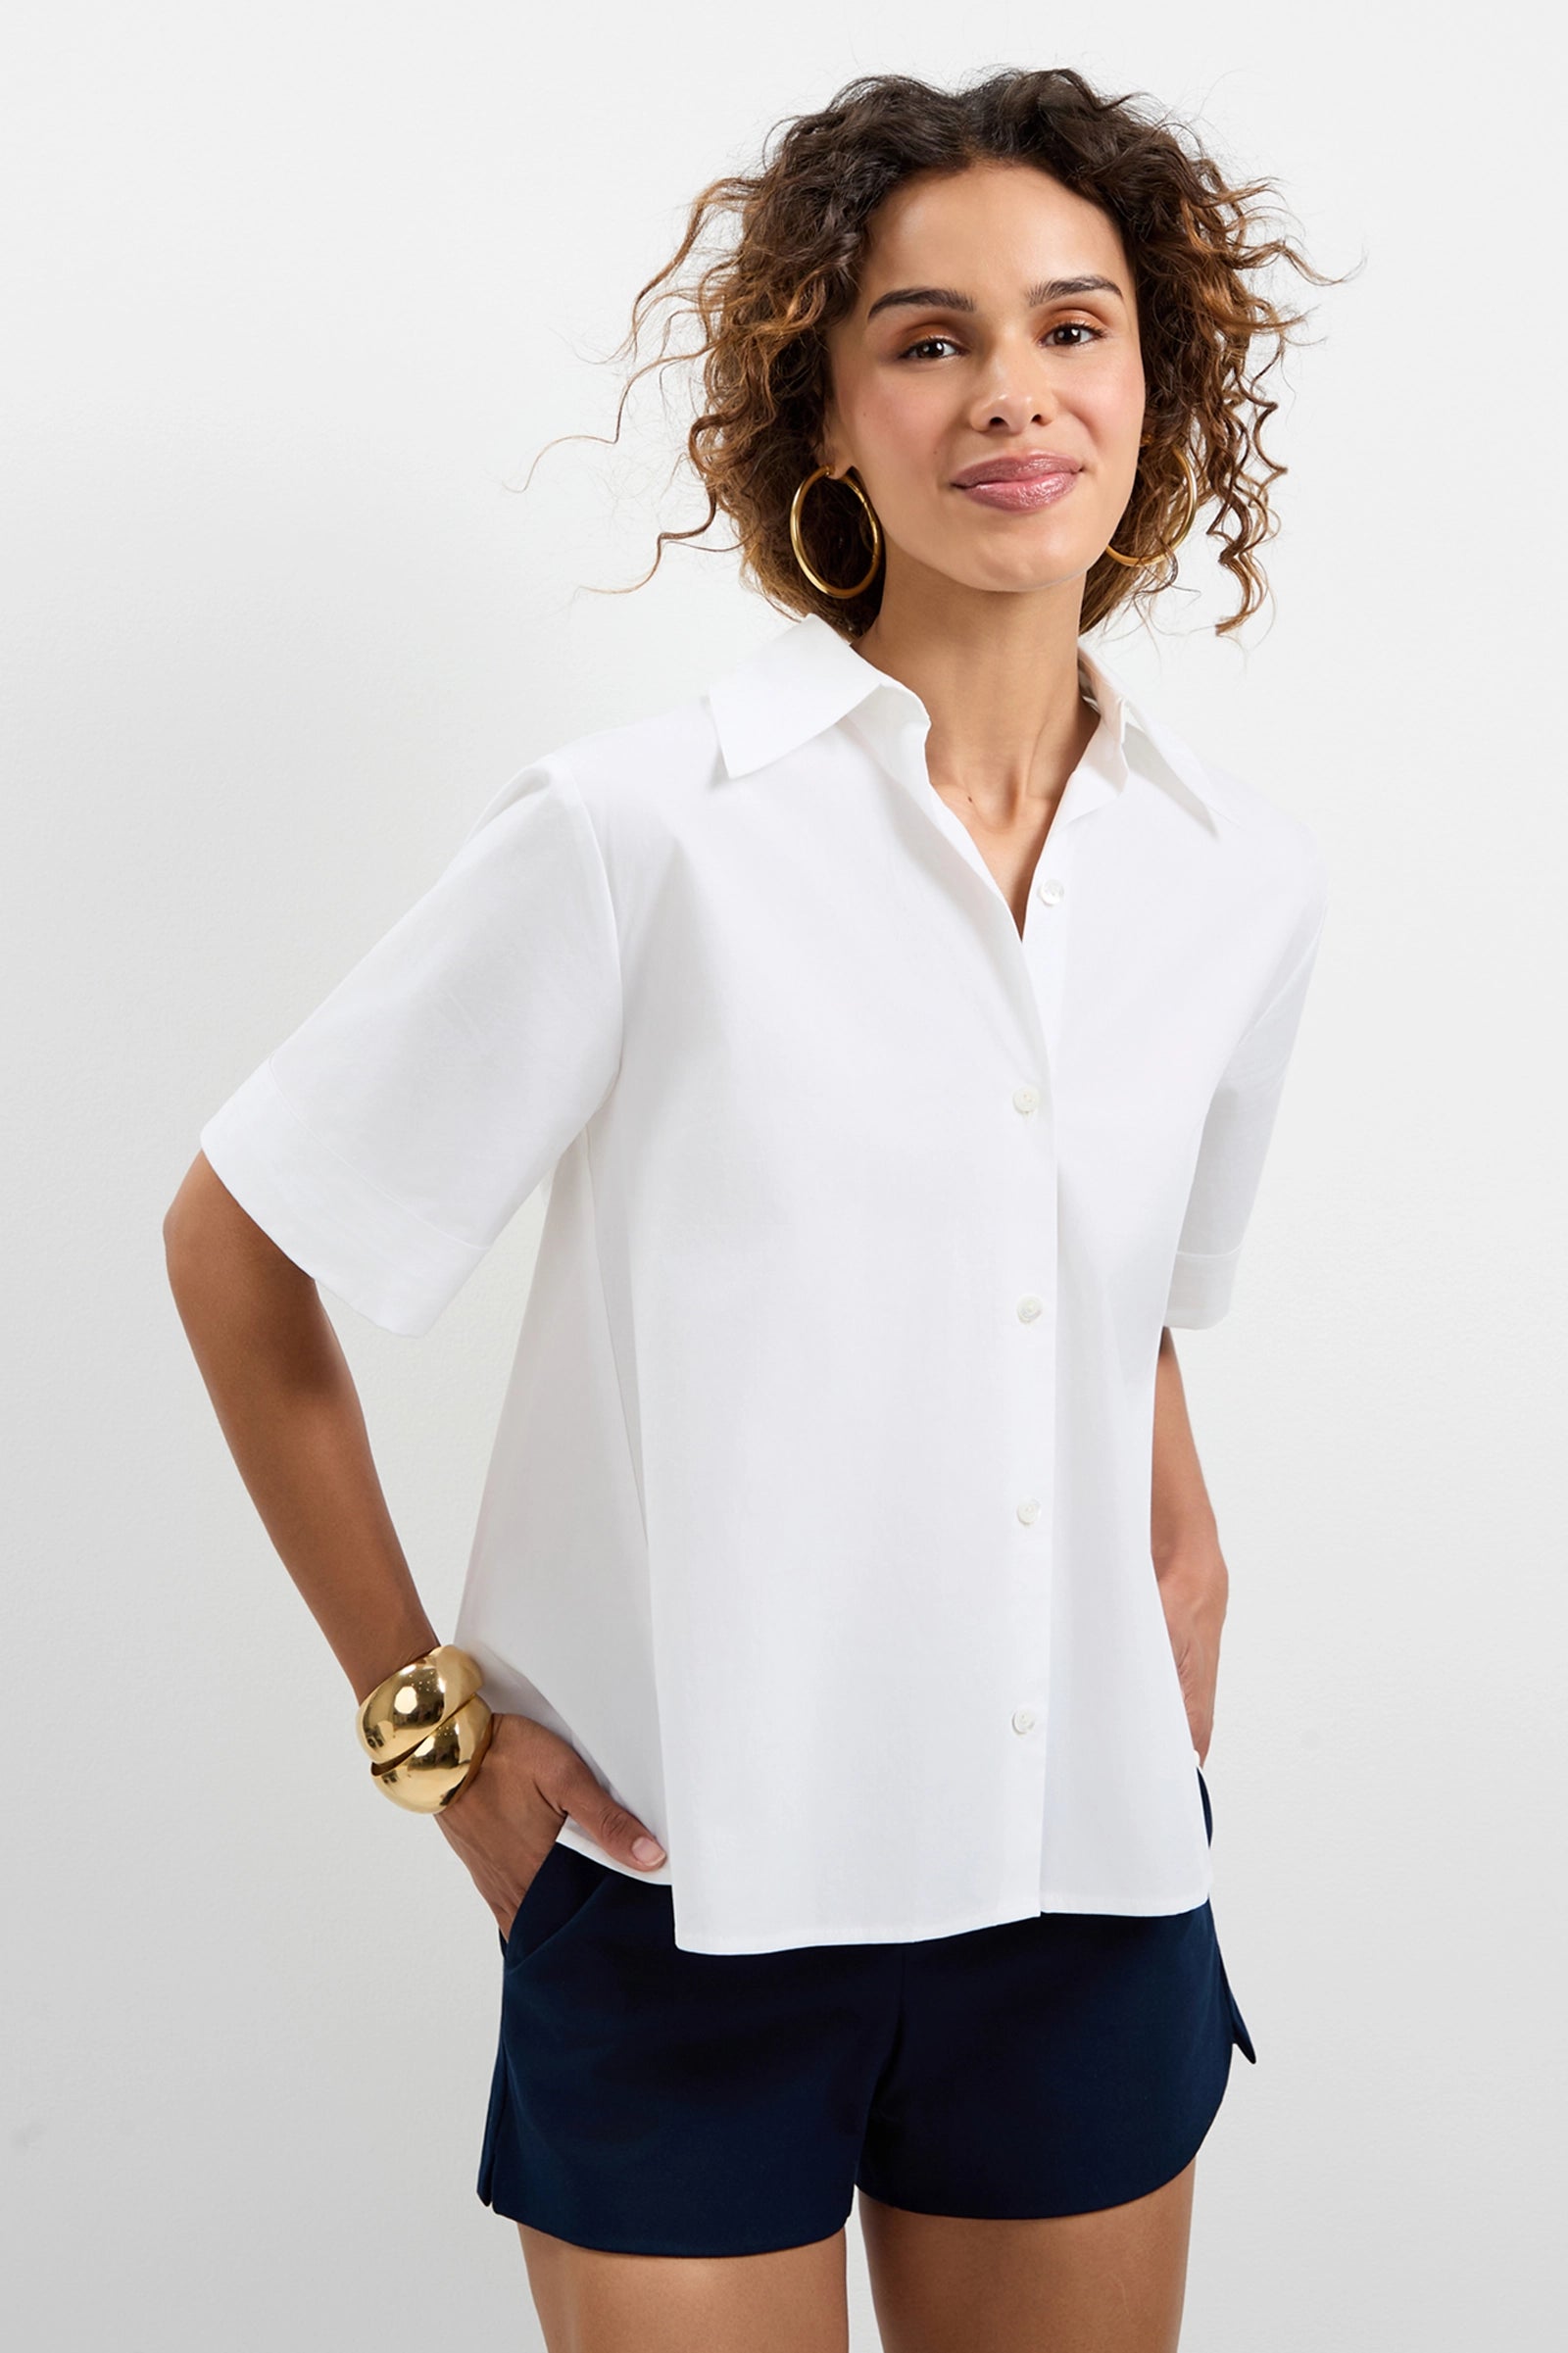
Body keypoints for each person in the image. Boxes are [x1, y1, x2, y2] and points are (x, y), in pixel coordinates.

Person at [164, 64, 1336, 2353]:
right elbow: (242, 1235)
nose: (1010, 389)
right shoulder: (643, 837)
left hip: (1091, 1905)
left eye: (1072, 327)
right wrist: (438, 1736)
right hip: (678, 1899)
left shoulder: (1234, 879)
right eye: (925, 337)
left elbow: (1108, 1334)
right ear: (823, 415)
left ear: (1154, 384)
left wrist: (1174, 1629)